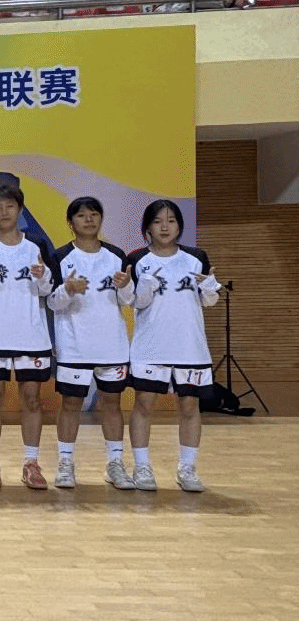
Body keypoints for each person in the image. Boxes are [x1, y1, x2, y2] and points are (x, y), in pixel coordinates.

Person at [0, 184, 59, 490]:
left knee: (32, 400)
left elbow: (49, 291)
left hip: (32, 338)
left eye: (10, 206)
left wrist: (42, 275)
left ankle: (31, 463)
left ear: (19, 209)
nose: (4, 212)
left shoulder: (37, 246)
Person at [125, 200, 220, 492]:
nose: (164, 227)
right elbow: (135, 302)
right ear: (147, 227)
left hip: (189, 346)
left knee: (189, 405)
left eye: (171, 221)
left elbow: (209, 301)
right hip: (151, 346)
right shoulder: (137, 259)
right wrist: (145, 285)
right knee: (144, 403)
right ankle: (142, 467)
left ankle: (187, 468)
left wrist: (209, 286)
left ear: (180, 226)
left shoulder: (196, 258)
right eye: (157, 221)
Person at [45, 197, 136, 490]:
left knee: (112, 404)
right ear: (71, 222)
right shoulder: (60, 257)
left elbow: (128, 300)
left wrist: (126, 286)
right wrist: (68, 290)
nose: (88, 220)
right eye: (81, 215)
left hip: (112, 345)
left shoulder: (116, 256)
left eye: (94, 214)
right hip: (74, 345)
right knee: (71, 404)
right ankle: (65, 464)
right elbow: (52, 302)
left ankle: (115, 464)